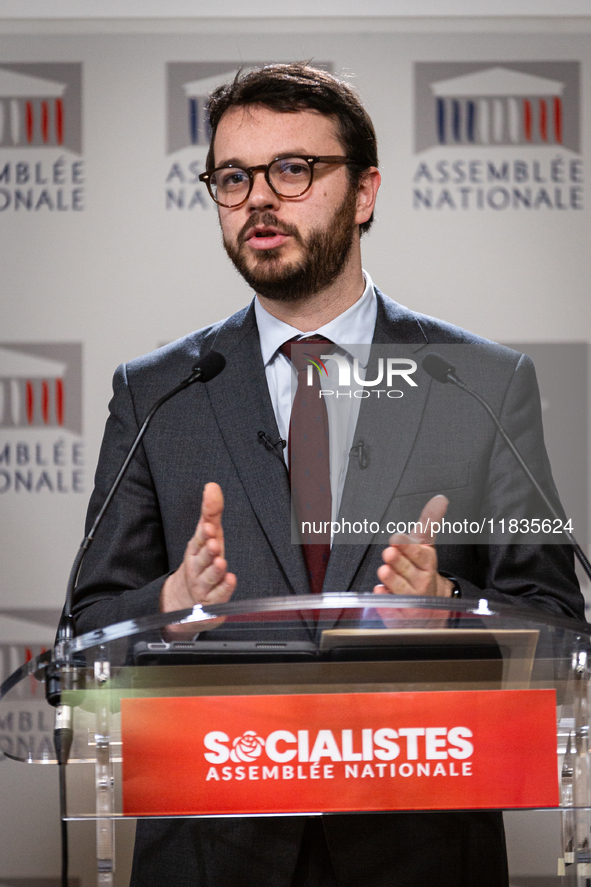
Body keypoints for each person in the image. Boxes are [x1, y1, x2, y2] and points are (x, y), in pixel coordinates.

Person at [73, 63, 584, 887]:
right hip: (212, 855)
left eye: (293, 169)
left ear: (365, 191)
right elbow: (85, 627)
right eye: (232, 178)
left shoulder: (476, 381)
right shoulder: (159, 390)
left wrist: (447, 614)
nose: (258, 200)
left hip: (414, 851)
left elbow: (556, 618)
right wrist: (171, 604)